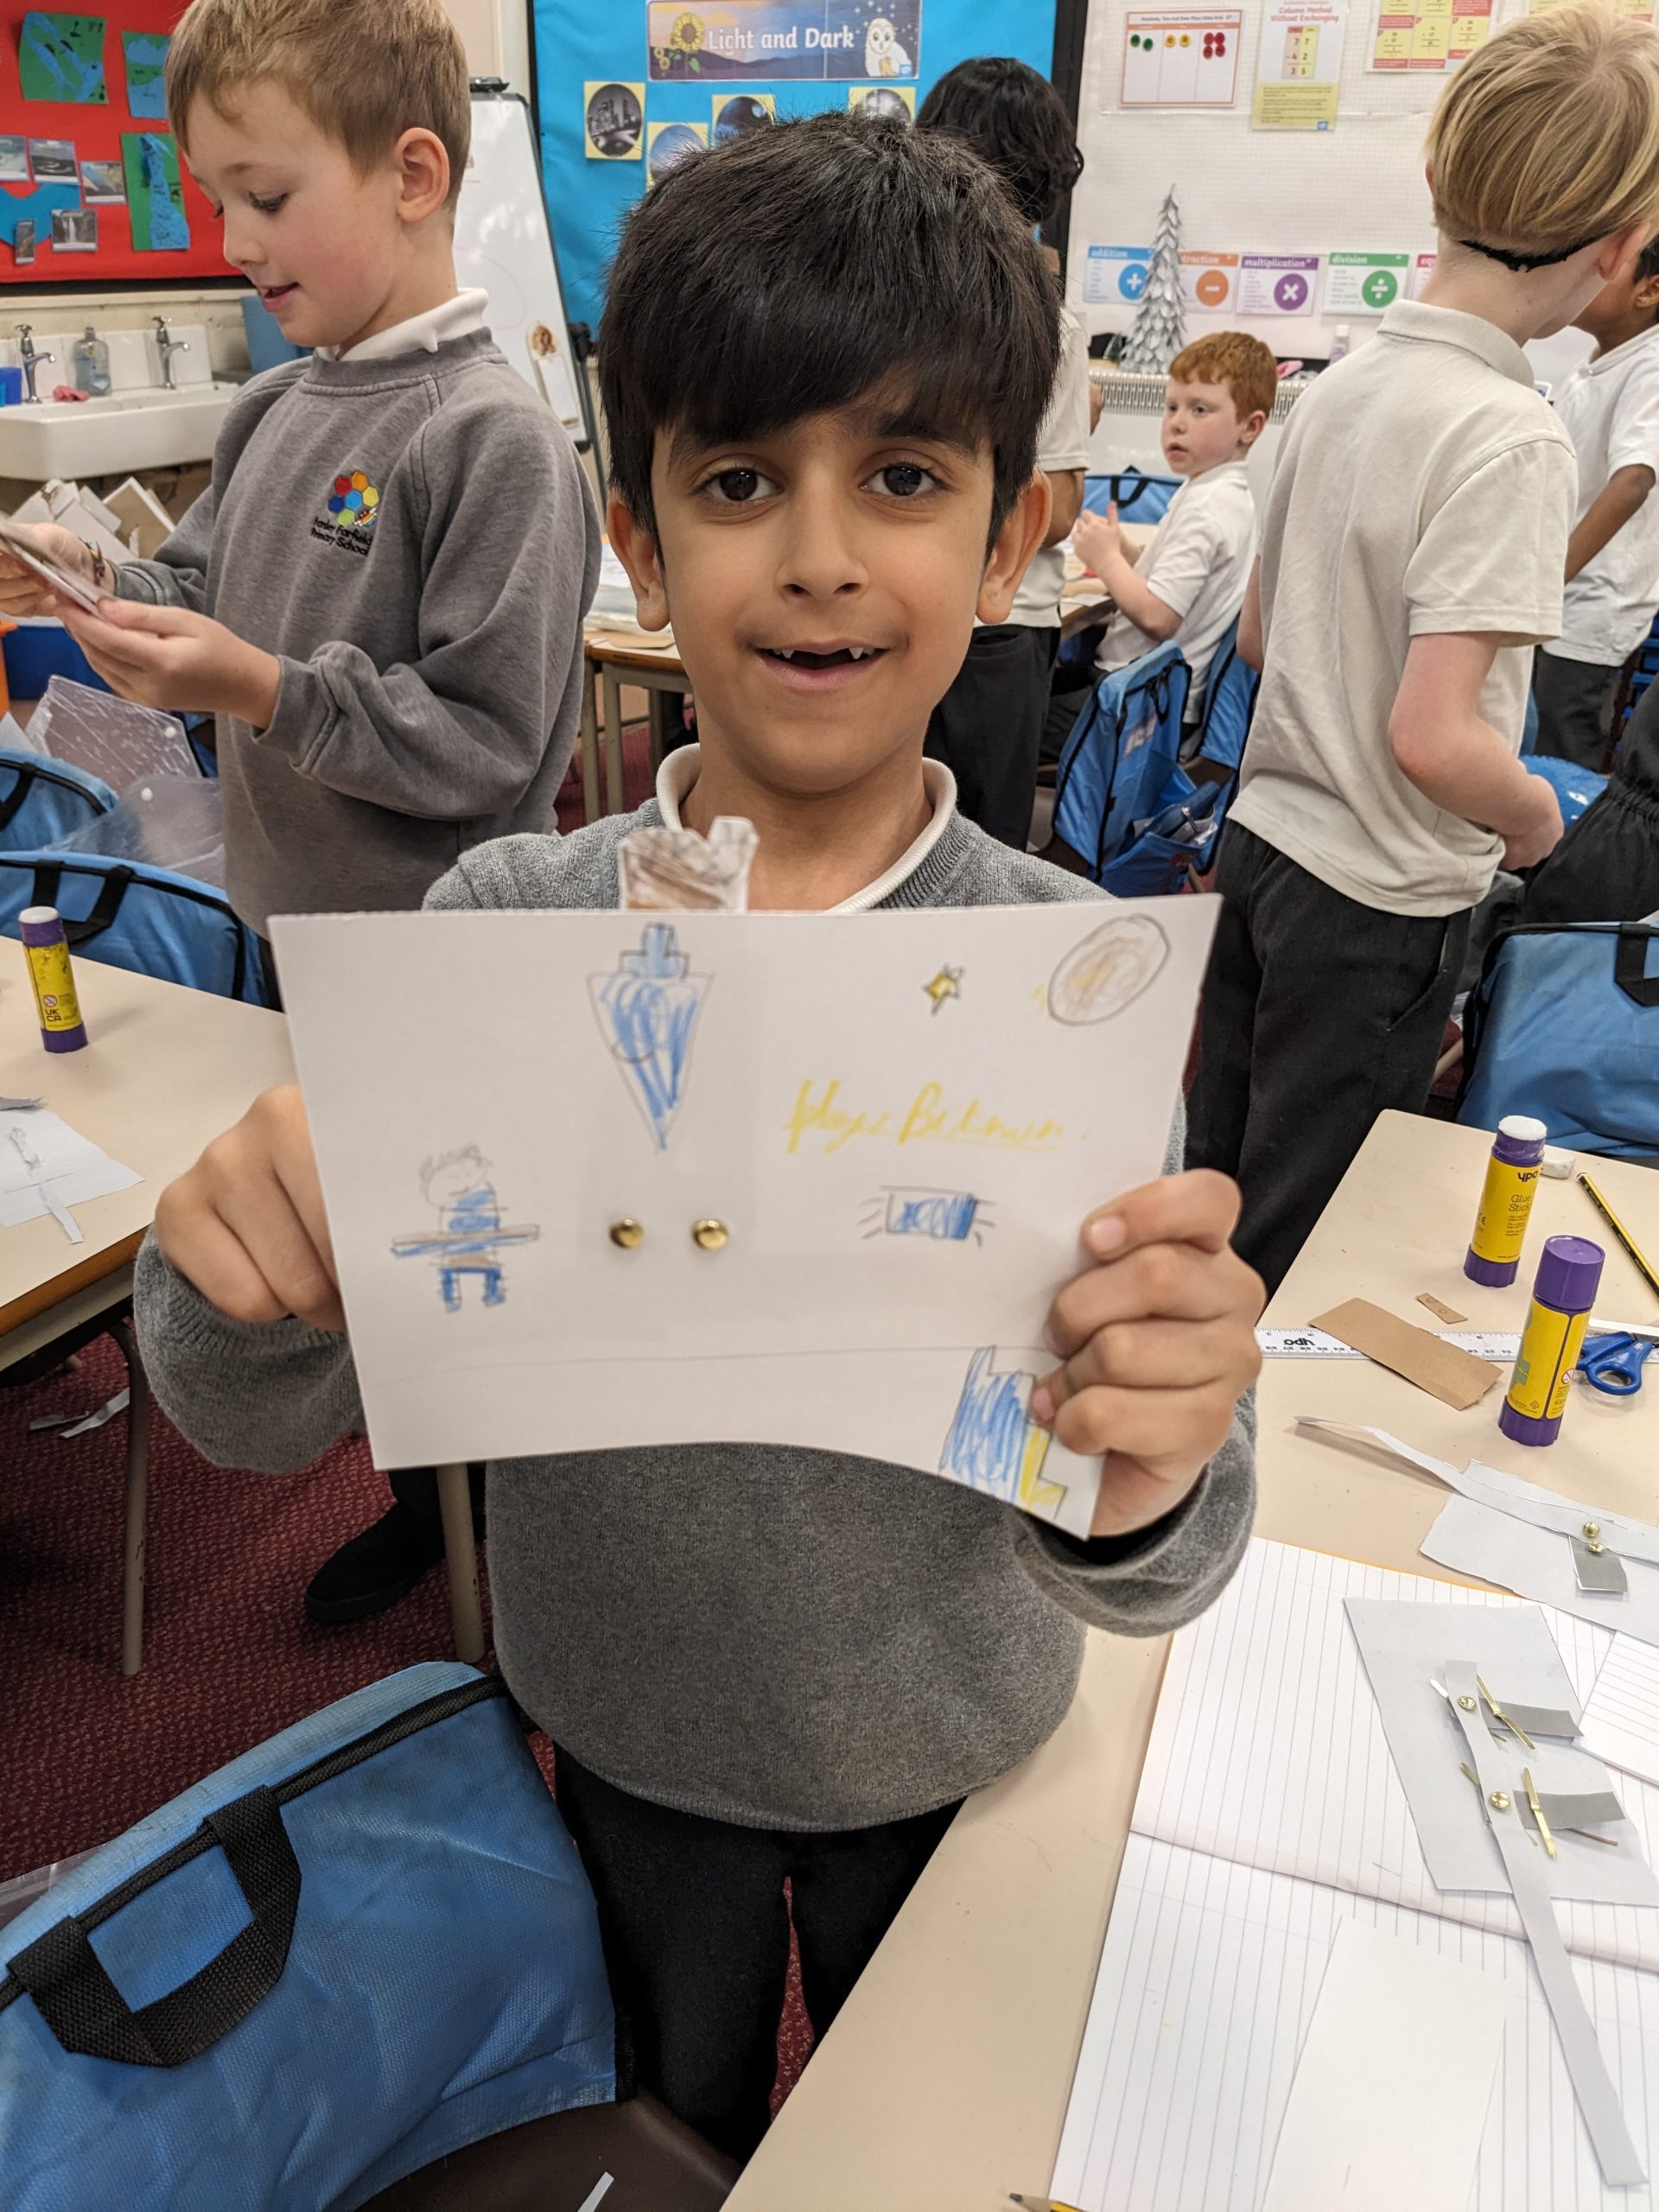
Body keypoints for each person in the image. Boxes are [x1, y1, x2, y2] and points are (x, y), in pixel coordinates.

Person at [133, 115, 1262, 2163]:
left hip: (959, 1731)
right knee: (665, 2129)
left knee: (929, 2142)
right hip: (626, 1722)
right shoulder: (502, 931)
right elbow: (241, 1403)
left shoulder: (1066, 984)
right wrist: (242, 1265)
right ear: (640, 542)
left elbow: (1147, 1541)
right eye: (738, 480)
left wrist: (1164, 1446)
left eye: (902, 476)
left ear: (1009, 540)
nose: (819, 553)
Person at [0, 0, 600, 1625]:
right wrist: (96, 581)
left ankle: (510, 1541)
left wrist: (265, 689)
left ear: (413, 174)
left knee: (470, 1263)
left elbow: (486, 747)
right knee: (359, 1265)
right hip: (292, 932)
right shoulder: (277, 411)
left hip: (441, 960)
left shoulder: (492, 437)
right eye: (215, 202)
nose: (234, 242)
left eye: (266, 197)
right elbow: (202, 591)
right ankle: (425, 1499)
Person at [1186, 0, 1659, 1298]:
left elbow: (1262, 637)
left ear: (1436, 175)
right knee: (1306, 1231)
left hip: (1263, 848)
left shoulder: (1337, 385)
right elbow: (1434, 737)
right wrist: (1536, 826)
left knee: (1216, 1186)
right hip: (1377, 898)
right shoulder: (1510, 432)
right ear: (1620, 248)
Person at [916, 56, 1091, 849]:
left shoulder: (1042, 324)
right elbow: (1060, 507)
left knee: (905, 840)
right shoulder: (1048, 323)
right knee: (970, 850)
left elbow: (1055, 507)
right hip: (988, 618)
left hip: (954, 619)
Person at [1072, 331, 1273, 715]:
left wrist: (1106, 560)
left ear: (1250, 427)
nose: (1177, 424)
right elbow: (1176, 582)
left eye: (1200, 410)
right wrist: (1124, 552)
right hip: (1146, 692)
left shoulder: (1206, 508)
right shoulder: (1218, 492)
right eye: (1172, 407)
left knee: (1023, 712)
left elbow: (1158, 617)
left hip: (1138, 705)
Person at [1534, 235, 1659, 768]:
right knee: (1535, 744)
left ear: (1649, 291)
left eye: (1610, 266)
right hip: (1558, 596)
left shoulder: (1651, 365)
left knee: (1565, 753)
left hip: (1592, 606)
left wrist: (1548, 577)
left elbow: (1634, 479)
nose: (1587, 273)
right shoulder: (1594, 366)